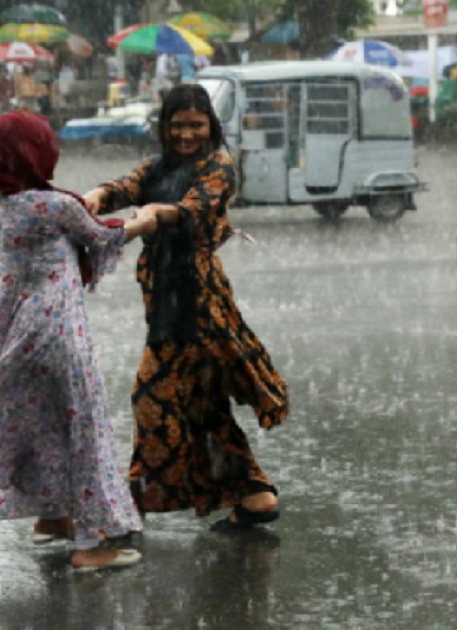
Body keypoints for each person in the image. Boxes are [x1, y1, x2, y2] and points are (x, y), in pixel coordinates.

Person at [0, 111, 159, 572]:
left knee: (42, 424)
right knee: (82, 428)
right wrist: (145, 221)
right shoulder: (51, 206)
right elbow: (102, 236)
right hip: (53, 327)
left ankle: (53, 516)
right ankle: (93, 543)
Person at [82, 84, 289, 532]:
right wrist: (98, 194)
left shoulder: (220, 165)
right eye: (177, 125)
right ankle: (255, 495)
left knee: (151, 399)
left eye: (196, 125)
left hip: (196, 300)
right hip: (165, 294)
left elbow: (194, 209)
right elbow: (125, 186)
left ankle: (129, 506)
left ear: (210, 125)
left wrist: (156, 213)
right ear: (165, 127)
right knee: (203, 403)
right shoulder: (159, 165)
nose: (186, 134)